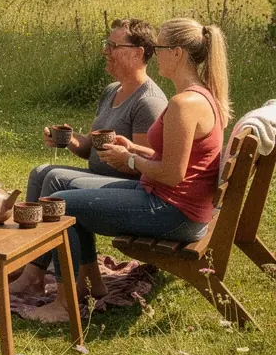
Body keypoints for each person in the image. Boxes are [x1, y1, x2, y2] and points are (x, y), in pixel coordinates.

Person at [30, 18, 230, 323]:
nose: (155, 52)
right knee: (63, 191)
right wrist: (135, 149)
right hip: (172, 202)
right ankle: (84, 287)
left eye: (160, 47)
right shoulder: (199, 97)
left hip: (173, 212)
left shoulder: (184, 104)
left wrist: (131, 160)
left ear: (177, 53)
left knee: (61, 203)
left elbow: (174, 174)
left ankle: (66, 304)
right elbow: (179, 161)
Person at [10, 18, 167, 296]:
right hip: (100, 178)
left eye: (113, 45)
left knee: (57, 180)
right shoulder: (111, 91)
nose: (106, 51)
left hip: (128, 191)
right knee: (40, 172)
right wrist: (71, 139)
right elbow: (89, 148)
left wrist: (122, 155)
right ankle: (29, 262)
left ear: (138, 52)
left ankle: (36, 274)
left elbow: (147, 168)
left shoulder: (149, 102)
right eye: (106, 44)